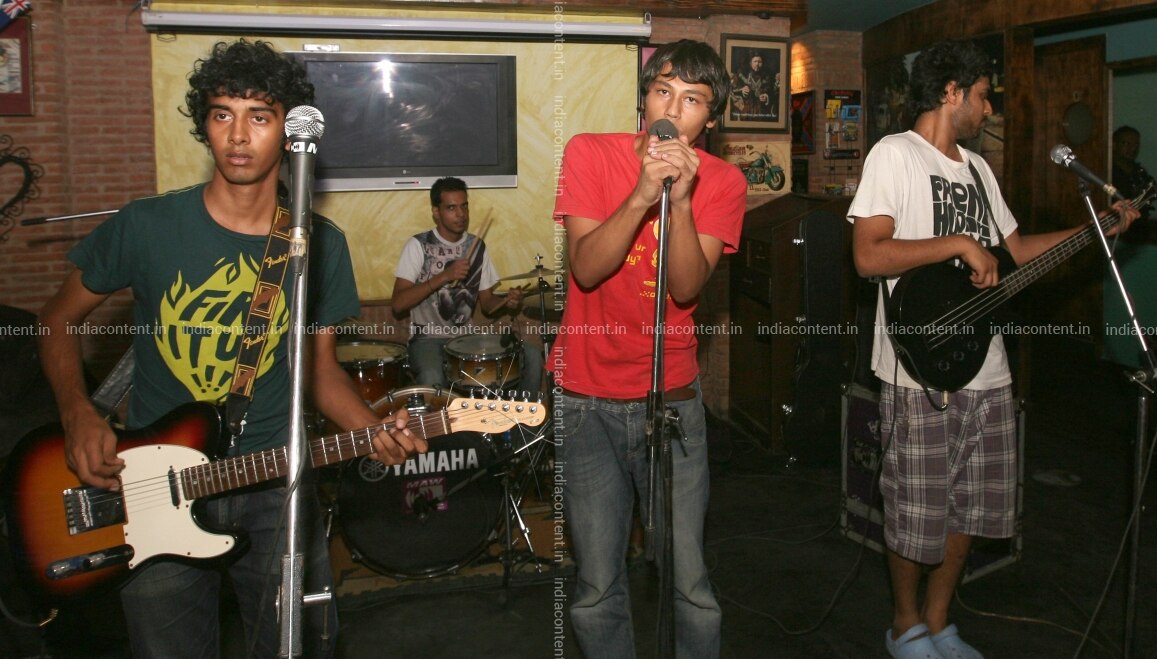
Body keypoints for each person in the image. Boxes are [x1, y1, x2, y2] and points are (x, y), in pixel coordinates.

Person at [37, 40, 425, 658]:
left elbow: (319, 371)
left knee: (300, 646)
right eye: (223, 114)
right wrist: (77, 411)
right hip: (156, 484)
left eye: (259, 117)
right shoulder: (148, 226)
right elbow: (57, 319)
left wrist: (371, 429)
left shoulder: (319, 244)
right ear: (205, 124)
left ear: (289, 133)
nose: (238, 136)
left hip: (274, 485)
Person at [848, 39, 1138, 659]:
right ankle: (904, 627)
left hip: (986, 363)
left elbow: (1016, 251)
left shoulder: (979, 169)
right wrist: (957, 242)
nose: (988, 109)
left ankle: (938, 622)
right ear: (951, 91)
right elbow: (868, 254)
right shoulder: (894, 154)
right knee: (916, 510)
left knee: (970, 509)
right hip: (919, 365)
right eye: (982, 96)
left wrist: (1097, 229)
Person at [552, 39, 746, 658]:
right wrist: (642, 194)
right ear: (645, 100)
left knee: (688, 581)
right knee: (596, 582)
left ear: (709, 120)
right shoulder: (589, 153)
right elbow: (586, 268)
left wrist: (680, 200)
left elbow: (686, 286)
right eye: (664, 91)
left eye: (693, 100)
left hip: (672, 402)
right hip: (585, 399)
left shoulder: (724, 181)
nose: (674, 109)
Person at [390, 177, 543, 395]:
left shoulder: (477, 246)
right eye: (451, 208)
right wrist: (444, 276)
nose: (460, 214)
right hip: (427, 339)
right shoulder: (418, 245)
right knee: (432, 376)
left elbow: (488, 304)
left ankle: (524, 416)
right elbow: (398, 304)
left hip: (466, 338)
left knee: (531, 355)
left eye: (464, 206)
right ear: (436, 212)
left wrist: (508, 302)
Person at [729, 52, 778, 120]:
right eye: (755, 61)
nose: (757, 64)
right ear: (750, 63)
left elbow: (774, 92)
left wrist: (767, 96)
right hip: (746, 110)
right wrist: (742, 90)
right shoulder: (742, 75)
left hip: (763, 112)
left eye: (759, 62)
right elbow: (732, 91)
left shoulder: (768, 76)